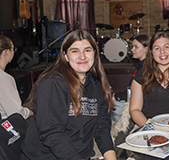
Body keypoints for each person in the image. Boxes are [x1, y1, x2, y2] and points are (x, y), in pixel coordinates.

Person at [20, 30, 116, 160]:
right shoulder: (52, 84)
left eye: (87, 50)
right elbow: (53, 134)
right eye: (75, 51)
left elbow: (102, 127)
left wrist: (111, 157)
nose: (82, 56)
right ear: (65, 56)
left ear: (95, 53)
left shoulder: (96, 85)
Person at [0, 35, 32, 120]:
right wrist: (29, 112)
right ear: (6, 52)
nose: (14, 52)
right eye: (13, 49)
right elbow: (16, 113)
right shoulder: (4, 79)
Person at [114, 34, 150, 102]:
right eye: (132, 46)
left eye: (136, 47)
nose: (132, 49)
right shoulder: (140, 65)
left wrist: (117, 97)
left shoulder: (146, 68)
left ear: (146, 49)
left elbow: (135, 92)